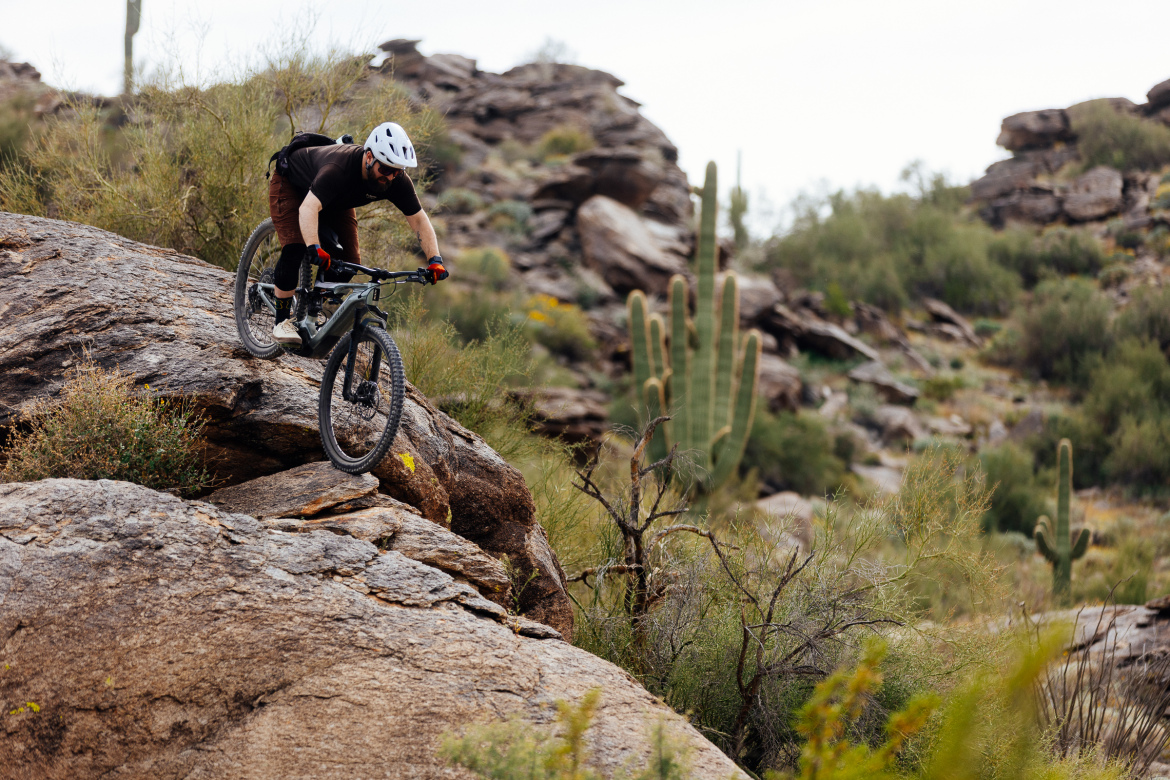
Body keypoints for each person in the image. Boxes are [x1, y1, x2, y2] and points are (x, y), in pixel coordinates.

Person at [266, 121, 448, 343]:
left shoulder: (395, 180)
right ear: (369, 157)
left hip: (335, 199)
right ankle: (281, 322)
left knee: (350, 261)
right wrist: (314, 246)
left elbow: (419, 220)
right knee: (295, 247)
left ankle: (314, 303)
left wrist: (435, 260)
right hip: (292, 185)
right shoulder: (339, 168)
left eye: (397, 171)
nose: (390, 177)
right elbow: (308, 208)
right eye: (386, 169)